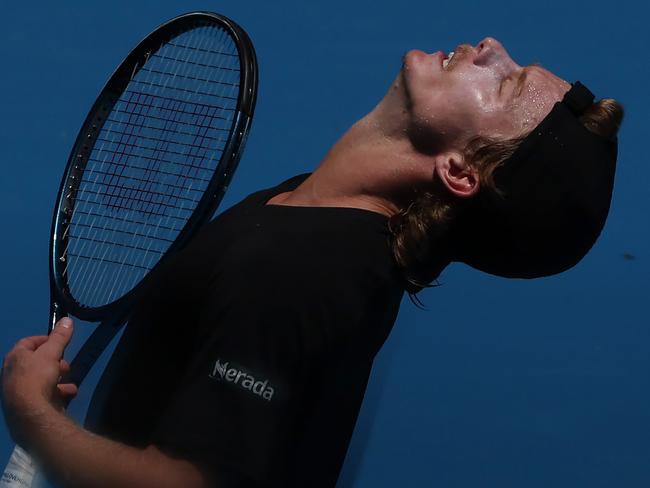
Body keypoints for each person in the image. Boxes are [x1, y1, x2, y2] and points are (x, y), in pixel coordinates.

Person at [1, 37, 623, 487]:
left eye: (506, 82)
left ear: (460, 171)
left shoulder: (300, 270)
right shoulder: (312, 210)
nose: (491, 47)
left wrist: (34, 423)